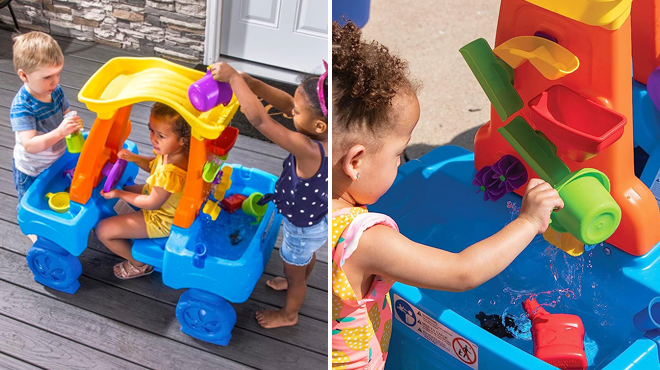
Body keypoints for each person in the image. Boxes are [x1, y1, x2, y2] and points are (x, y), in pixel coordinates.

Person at [331, 21, 564, 369]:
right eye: (398, 154)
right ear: (356, 162)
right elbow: (462, 272)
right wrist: (529, 221)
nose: (400, 162)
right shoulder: (365, 239)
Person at [211, 62, 328, 328]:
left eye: (297, 112)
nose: (291, 111)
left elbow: (260, 120)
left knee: (294, 271)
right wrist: (254, 85)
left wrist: (233, 79)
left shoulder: (308, 149)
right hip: (316, 219)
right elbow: (287, 102)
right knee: (305, 256)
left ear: (319, 125)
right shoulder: (331, 137)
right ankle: (296, 276)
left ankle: (289, 314)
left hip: (300, 227)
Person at [96, 103, 190, 280]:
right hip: (167, 202)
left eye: (160, 135)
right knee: (124, 191)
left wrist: (119, 194)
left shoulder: (171, 172)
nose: (153, 138)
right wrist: (135, 158)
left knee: (103, 230)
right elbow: (155, 166)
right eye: (151, 130)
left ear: (182, 140)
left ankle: (139, 264)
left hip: (161, 218)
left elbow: (152, 203)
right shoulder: (177, 152)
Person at [10, 31, 82, 206]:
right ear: (24, 75)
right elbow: (30, 145)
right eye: (47, 77)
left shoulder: (55, 90)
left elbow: (66, 113)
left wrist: (73, 123)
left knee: (50, 191)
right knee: (30, 202)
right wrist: (60, 132)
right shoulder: (22, 107)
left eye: (58, 73)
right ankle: (29, 228)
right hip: (32, 169)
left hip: (55, 158)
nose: (55, 81)